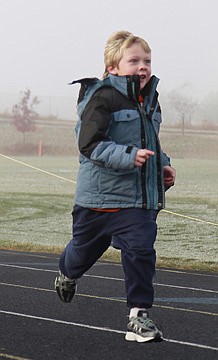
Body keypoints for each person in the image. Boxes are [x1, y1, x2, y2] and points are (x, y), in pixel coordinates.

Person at [55, 30, 176, 343]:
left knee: (141, 248)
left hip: (135, 202)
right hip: (97, 201)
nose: (142, 66)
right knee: (80, 255)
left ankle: (139, 316)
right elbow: (90, 145)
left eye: (146, 60)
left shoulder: (151, 100)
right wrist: (130, 156)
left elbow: (149, 142)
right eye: (133, 60)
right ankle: (67, 273)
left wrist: (162, 165)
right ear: (112, 67)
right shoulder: (101, 97)